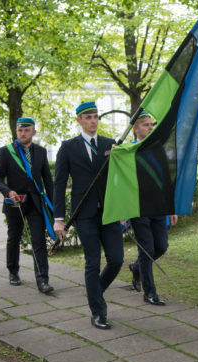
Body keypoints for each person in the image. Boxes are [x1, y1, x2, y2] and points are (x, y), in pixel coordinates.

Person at [53, 102, 123, 330]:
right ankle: (98, 312)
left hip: (110, 212)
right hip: (84, 214)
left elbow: (118, 179)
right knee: (92, 262)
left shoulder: (109, 144)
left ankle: (95, 291)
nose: (93, 121)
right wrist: (59, 218)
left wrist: (122, 210)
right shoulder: (68, 147)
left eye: (95, 117)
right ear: (79, 121)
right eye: (88, 117)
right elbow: (59, 183)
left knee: (116, 259)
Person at [0, 117, 54, 294]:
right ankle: (13, 271)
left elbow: (48, 181)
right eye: (20, 130)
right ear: (16, 131)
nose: (23, 133)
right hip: (15, 203)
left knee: (38, 241)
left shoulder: (41, 152)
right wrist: (8, 191)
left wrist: (53, 207)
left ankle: (43, 280)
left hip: (35, 203)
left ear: (33, 132)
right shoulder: (6, 152)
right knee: (14, 238)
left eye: (27, 130)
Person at [128, 111, 177, 305]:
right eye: (145, 125)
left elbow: (166, 181)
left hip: (158, 207)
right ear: (135, 128)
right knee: (147, 250)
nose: (150, 128)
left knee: (161, 246)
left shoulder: (158, 149)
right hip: (138, 208)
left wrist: (171, 208)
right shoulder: (128, 151)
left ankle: (136, 267)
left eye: (151, 124)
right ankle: (150, 293)